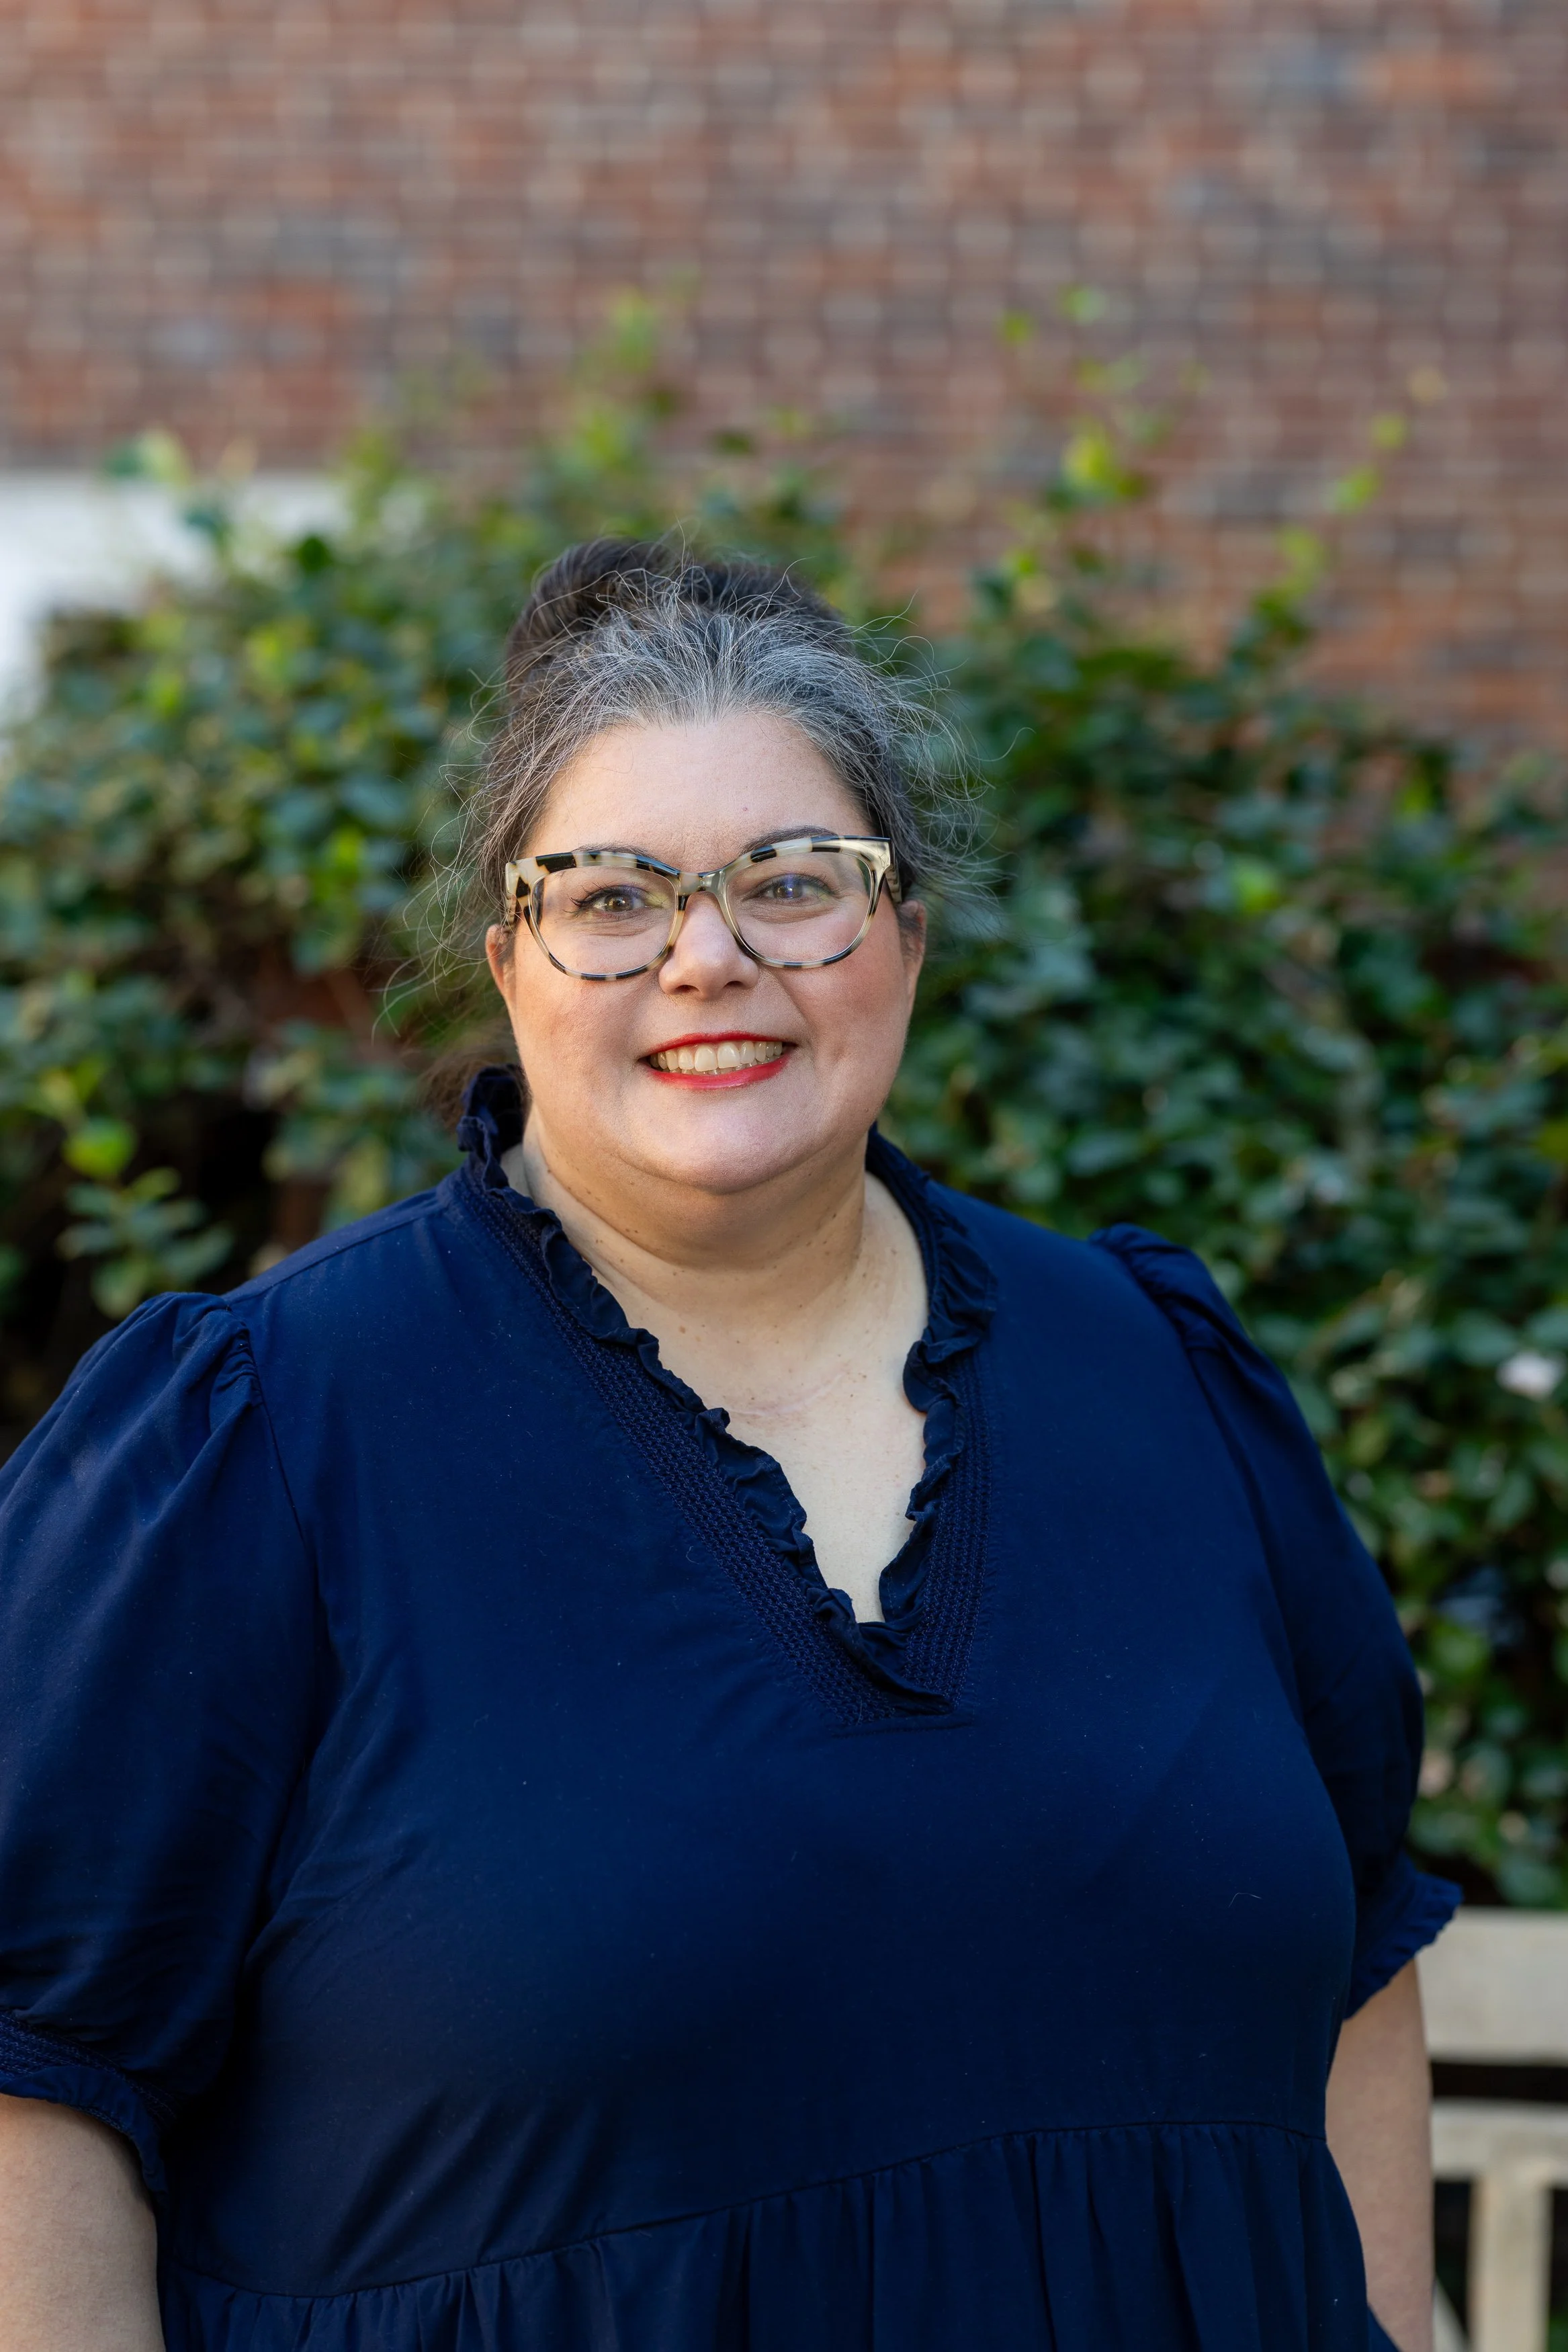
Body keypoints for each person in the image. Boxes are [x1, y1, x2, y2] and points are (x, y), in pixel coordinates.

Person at [0, 542, 1455, 2352]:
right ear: (508, 959)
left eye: (794, 880)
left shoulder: (1162, 1379)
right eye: (610, 896)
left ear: (902, 929)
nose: (709, 956)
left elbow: (1356, 1941)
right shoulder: (259, 1442)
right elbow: (33, 2083)